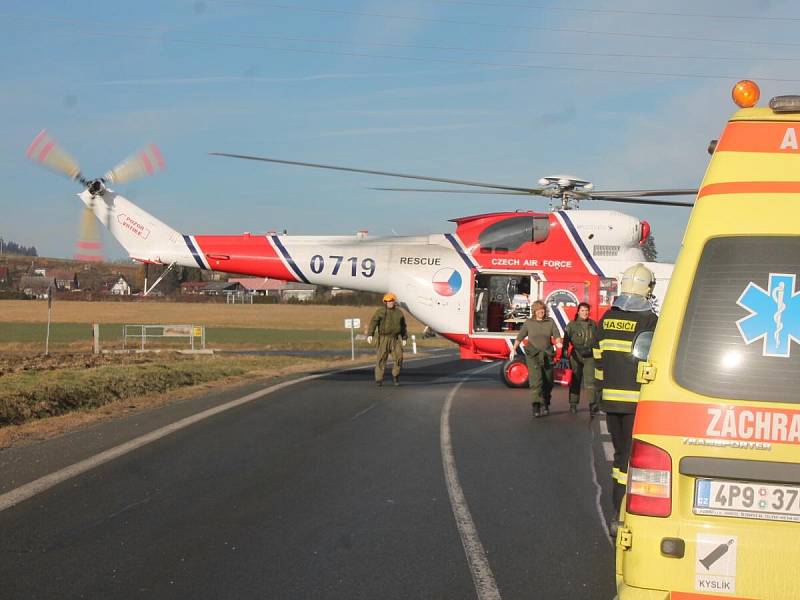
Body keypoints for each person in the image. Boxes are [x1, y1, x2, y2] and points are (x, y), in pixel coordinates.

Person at [593, 263, 658, 532]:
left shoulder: (606, 319)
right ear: (647, 289)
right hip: (637, 404)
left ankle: (616, 514)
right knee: (635, 461)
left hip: (611, 403)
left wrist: (599, 396)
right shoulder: (649, 321)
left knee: (620, 457)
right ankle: (628, 515)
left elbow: (597, 362)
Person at [511, 300, 562, 417]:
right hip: (533, 355)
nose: (541, 312)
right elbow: (520, 336)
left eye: (542, 309)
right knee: (536, 381)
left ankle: (546, 402)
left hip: (547, 355)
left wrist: (558, 343)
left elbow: (557, 335)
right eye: (538, 310)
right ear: (534, 311)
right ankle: (536, 406)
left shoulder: (550, 321)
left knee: (548, 381)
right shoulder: (529, 323)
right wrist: (514, 348)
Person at [562, 302, 599, 415]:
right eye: (582, 310)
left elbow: (598, 340)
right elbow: (566, 342)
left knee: (591, 382)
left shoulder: (593, 324)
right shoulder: (571, 325)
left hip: (590, 357)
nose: (585, 312)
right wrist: (564, 356)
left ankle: (593, 405)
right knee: (575, 381)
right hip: (576, 356)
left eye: (587, 310)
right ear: (578, 312)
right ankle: (573, 404)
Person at [367, 292, 408, 386]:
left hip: (395, 339)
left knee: (399, 357)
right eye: (388, 301)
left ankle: (395, 376)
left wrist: (404, 337)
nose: (390, 302)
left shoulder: (399, 313)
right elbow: (373, 322)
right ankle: (379, 379)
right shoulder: (380, 311)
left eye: (392, 300)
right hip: (383, 339)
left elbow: (403, 326)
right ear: (385, 302)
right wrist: (370, 334)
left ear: (394, 301)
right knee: (381, 359)